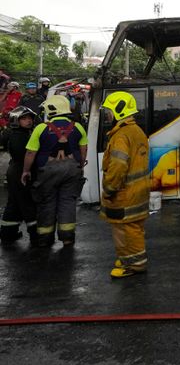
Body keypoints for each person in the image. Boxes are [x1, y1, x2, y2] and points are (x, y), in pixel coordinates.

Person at [21, 95, 87, 247]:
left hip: (47, 172)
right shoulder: (78, 127)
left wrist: (26, 171)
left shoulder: (41, 128)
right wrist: (81, 166)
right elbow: (83, 149)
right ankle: (67, 238)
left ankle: (45, 238)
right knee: (68, 202)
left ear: (50, 110)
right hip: (72, 170)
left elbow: (30, 153)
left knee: (46, 202)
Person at [99, 91, 150, 278]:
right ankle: (130, 258)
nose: (108, 115)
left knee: (125, 230)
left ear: (119, 111)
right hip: (138, 192)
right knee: (134, 227)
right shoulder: (136, 131)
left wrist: (109, 188)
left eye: (109, 111)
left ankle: (133, 265)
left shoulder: (121, 135)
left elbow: (118, 166)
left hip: (124, 193)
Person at [0, 106, 37, 246]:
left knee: (14, 204)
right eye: (24, 118)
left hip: (15, 171)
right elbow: (25, 155)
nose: (28, 121)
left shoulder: (20, 133)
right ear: (16, 120)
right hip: (21, 171)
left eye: (30, 118)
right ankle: (36, 236)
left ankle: (7, 233)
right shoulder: (19, 136)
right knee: (27, 203)